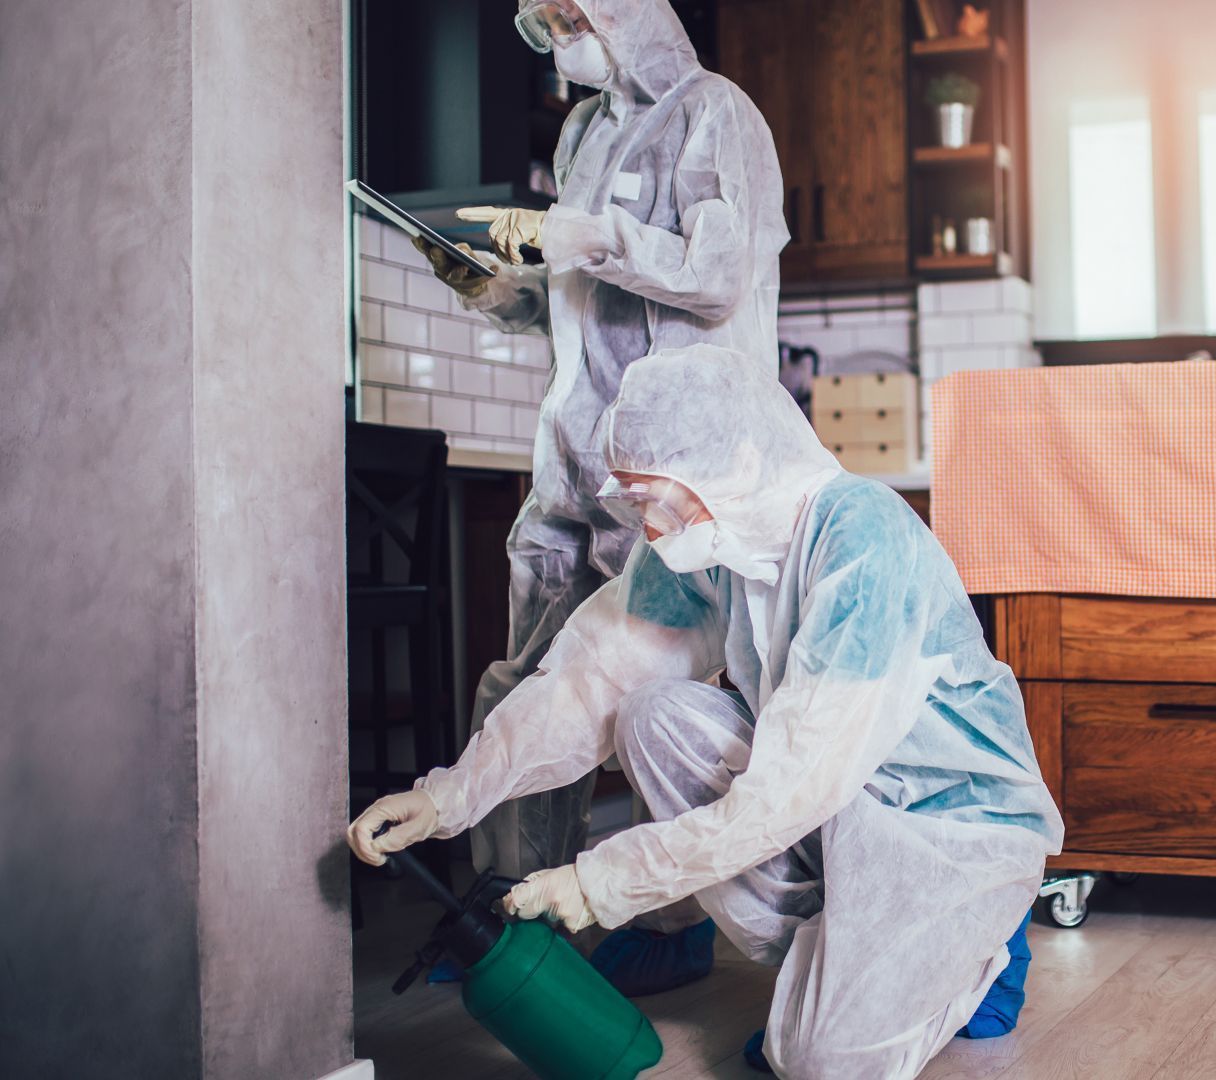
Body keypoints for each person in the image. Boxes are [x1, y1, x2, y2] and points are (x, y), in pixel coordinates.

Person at [350, 345, 1063, 1078]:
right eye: (632, 500)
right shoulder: (712, 544)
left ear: (739, 462)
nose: (648, 524)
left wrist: (603, 882)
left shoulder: (864, 542)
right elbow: (589, 682)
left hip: (946, 829)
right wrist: (446, 798)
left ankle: (980, 948)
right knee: (650, 715)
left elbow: (793, 787)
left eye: (657, 495)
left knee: (817, 1062)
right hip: (833, 807)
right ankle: (835, 975)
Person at [408, 0, 788, 976]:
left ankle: (672, 927)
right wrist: (498, 286)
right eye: (538, 16)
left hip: (672, 476)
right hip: (571, 468)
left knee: (654, 703)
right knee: (529, 687)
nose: (550, 27)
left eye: (566, 8)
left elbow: (720, 275)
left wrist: (583, 233)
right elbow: (579, 299)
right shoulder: (581, 130)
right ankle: (514, 927)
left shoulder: (717, 113)